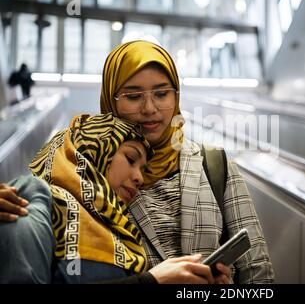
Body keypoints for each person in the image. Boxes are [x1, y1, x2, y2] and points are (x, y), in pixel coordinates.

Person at [0, 40, 275, 283]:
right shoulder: (82, 172)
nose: (150, 108)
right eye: (133, 96)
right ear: (112, 99)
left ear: (176, 95)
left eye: (162, 93)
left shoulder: (214, 165)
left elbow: (258, 274)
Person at [0, 113, 226, 284]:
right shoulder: (34, 195)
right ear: (94, 149)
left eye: (143, 170)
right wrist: (152, 281)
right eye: (130, 159)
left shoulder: (121, 233)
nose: (139, 178)